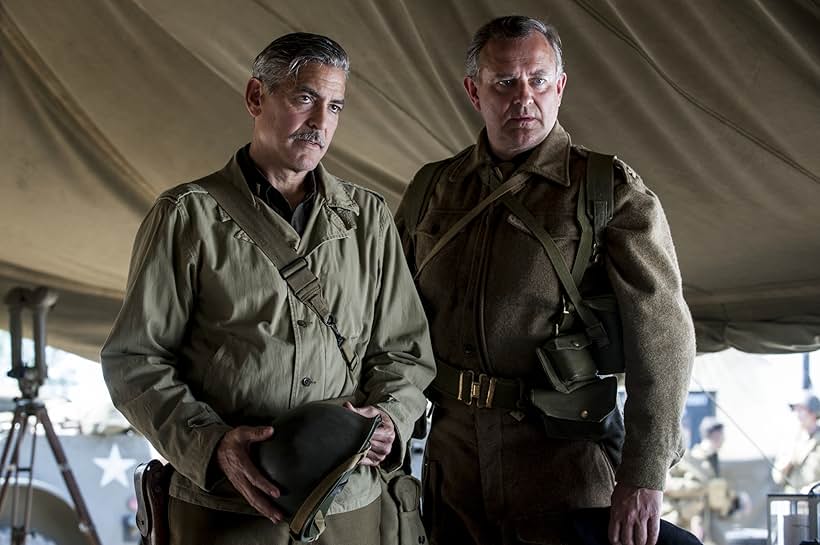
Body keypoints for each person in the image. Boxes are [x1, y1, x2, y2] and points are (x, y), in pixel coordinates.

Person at [101, 32, 435, 545]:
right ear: (257, 97)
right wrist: (211, 446)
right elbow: (135, 360)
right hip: (228, 506)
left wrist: (391, 415)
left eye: (336, 106)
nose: (321, 122)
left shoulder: (368, 219)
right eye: (304, 98)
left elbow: (404, 351)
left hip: (350, 503)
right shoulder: (187, 216)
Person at [395, 15, 695, 545]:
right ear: (474, 90)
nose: (523, 97)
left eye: (537, 79)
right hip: (453, 464)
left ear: (559, 86)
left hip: (563, 465)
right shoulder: (433, 189)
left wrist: (644, 474)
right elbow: (388, 317)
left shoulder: (606, 190)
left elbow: (664, 337)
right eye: (504, 82)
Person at [663, 418, 742, 545]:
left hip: (705, 522)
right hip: (678, 519)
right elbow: (668, 485)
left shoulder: (714, 461)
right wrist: (702, 487)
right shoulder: (688, 459)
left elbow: (715, 498)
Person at [772, 391, 820, 493]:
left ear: (813, 412)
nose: (797, 415)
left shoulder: (817, 440)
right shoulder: (789, 440)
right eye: (795, 410)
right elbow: (777, 477)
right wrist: (787, 462)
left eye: (801, 410)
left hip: (815, 501)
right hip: (793, 499)